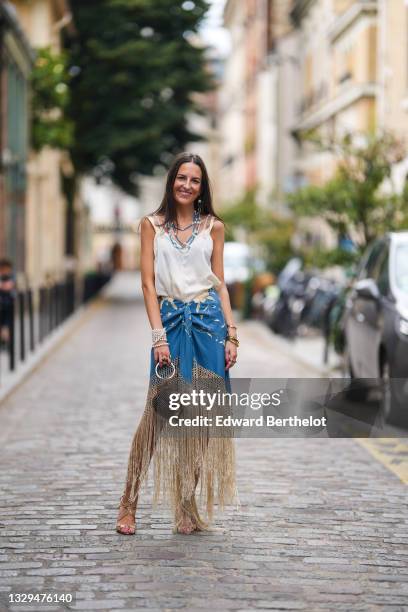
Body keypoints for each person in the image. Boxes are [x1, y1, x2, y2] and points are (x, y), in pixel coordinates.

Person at [116, 152, 239, 535]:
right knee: (156, 416)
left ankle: (186, 506)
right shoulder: (151, 225)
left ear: (203, 188)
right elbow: (148, 285)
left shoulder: (213, 227)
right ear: (171, 181)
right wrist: (158, 337)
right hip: (170, 323)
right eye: (182, 177)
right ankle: (128, 502)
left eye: (195, 180)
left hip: (208, 326)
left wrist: (232, 334)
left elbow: (220, 285)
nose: (187, 185)